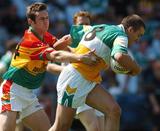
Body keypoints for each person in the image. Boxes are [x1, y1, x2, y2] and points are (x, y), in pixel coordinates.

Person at [0, 2, 98, 131]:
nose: (46, 22)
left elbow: (58, 45)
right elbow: (55, 55)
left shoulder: (45, 35)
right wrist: (81, 58)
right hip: (12, 90)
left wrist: (72, 40)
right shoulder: (30, 41)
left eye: (47, 18)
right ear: (31, 21)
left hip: (28, 94)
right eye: (41, 19)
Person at [49, 14, 145, 131]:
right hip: (74, 79)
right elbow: (119, 56)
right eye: (138, 35)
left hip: (88, 80)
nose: (138, 40)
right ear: (130, 30)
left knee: (114, 111)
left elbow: (60, 44)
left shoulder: (100, 27)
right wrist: (136, 68)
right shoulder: (121, 36)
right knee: (61, 127)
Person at [47, 10, 104, 131]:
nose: (84, 27)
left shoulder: (94, 43)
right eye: (80, 24)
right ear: (74, 24)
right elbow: (49, 66)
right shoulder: (68, 41)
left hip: (91, 87)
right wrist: (70, 69)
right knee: (93, 128)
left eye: (87, 24)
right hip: (74, 88)